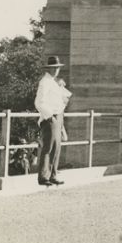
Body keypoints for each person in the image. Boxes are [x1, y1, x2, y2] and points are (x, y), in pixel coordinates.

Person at [34, 55, 72, 186]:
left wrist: (61, 86)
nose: (56, 70)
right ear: (49, 69)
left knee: (57, 147)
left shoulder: (53, 82)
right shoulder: (44, 82)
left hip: (58, 115)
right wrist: (49, 116)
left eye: (57, 68)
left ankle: (53, 175)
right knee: (49, 147)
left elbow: (64, 99)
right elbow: (39, 102)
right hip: (51, 116)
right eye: (54, 68)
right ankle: (44, 177)